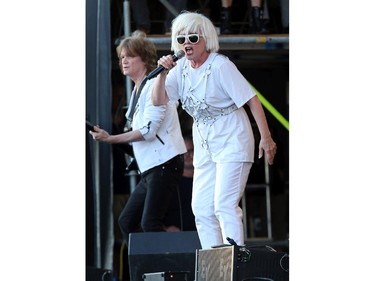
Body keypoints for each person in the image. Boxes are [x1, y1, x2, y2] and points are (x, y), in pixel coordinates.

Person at [151, 11, 277, 249]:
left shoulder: (220, 66)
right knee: (201, 207)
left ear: (206, 39)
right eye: (181, 39)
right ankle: (214, 265)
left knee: (224, 204)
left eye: (192, 38)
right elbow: (159, 100)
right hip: (204, 141)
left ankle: (235, 260)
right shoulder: (179, 70)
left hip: (232, 136)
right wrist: (163, 73)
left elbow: (251, 99)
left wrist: (266, 138)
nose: (186, 43)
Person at [89, 30, 187, 244]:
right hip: (152, 167)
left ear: (144, 59)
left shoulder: (153, 85)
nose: (123, 61)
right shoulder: (137, 90)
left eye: (129, 56)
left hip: (164, 163)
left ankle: (168, 266)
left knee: (149, 223)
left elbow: (147, 131)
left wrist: (110, 138)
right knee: (126, 221)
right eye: (121, 57)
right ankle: (147, 269)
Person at [163, 134, 196, 232]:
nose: (187, 155)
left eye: (190, 151)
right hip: (176, 241)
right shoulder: (169, 183)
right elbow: (152, 215)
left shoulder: (206, 180)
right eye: (183, 152)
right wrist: (165, 229)